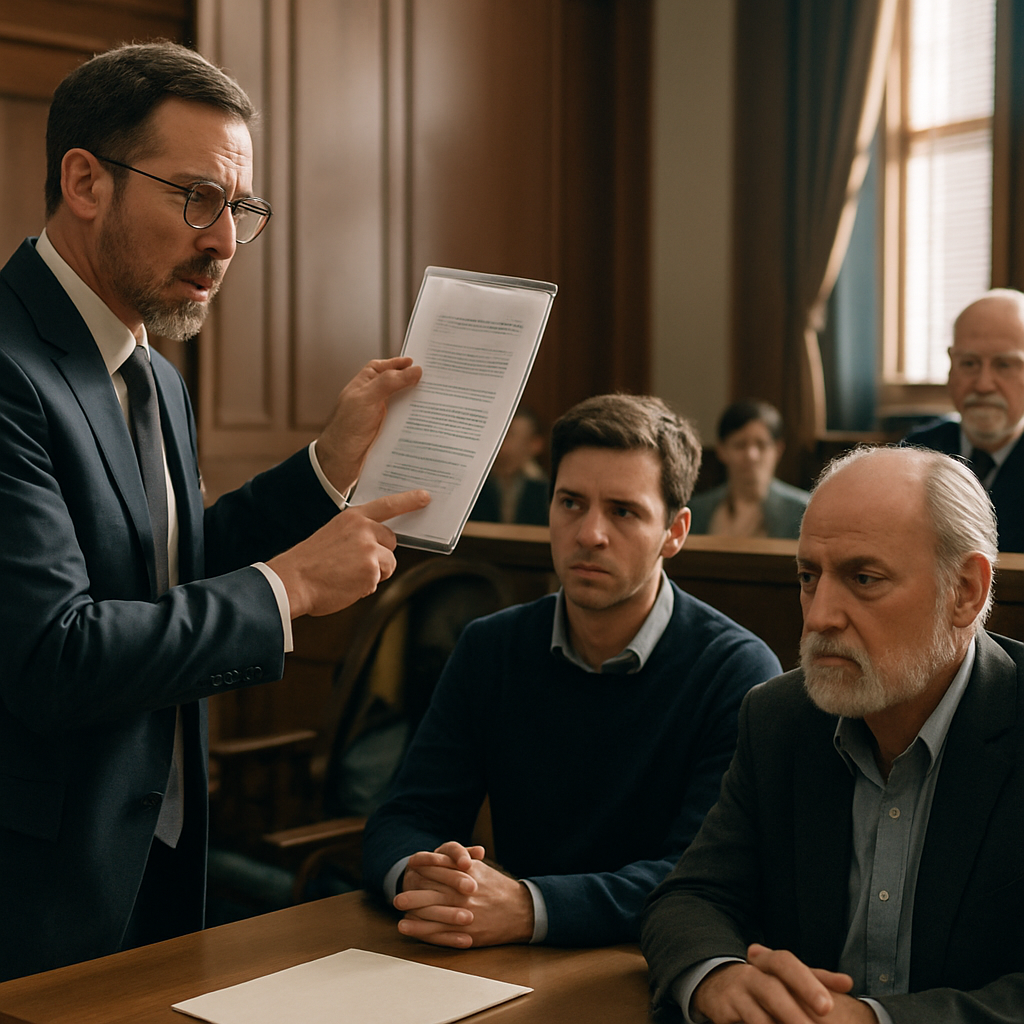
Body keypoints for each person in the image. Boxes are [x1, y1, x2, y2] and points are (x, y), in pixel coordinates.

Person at [0, 42, 430, 980]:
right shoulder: (6, 368)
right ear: (85, 181)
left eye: (240, 208)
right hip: (35, 894)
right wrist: (287, 592)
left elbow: (171, 572)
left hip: (159, 859)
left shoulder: (155, 373)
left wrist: (326, 465)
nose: (224, 241)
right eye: (196, 197)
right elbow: (51, 654)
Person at [362, 394, 782, 949]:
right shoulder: (491, 647)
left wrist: (528, 907)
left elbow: (699, 877)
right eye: (571, 503)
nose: (589, 534)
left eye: (623, 512)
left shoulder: (735, 671)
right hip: (498, 956)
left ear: (675, 531)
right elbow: (404, 816)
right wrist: (425, 876)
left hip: (650, 966)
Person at [641, 445, 1023, 1024]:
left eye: (863, 578)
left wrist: (872, 1020)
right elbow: (690, 899)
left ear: (966, 591)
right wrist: (719, 976)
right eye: (808, 577)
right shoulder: (778, 718)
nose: (819, 616)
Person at [905, 288, 1024, 551]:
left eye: (1004, 365)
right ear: (950, 368)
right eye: (969, 363)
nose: (983, 385)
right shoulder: (913, 456)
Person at [688, 399, 809, 539]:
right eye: (740, 445)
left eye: (761, 445)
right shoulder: (696, 511)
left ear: (778, 450)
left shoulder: (803, 511)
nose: (751, 455)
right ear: (721, 450)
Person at [469, 407, 549, 525]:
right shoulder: (476, 485)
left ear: (535, 444)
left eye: (511, 435)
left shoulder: (545, 490)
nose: (502, 446)